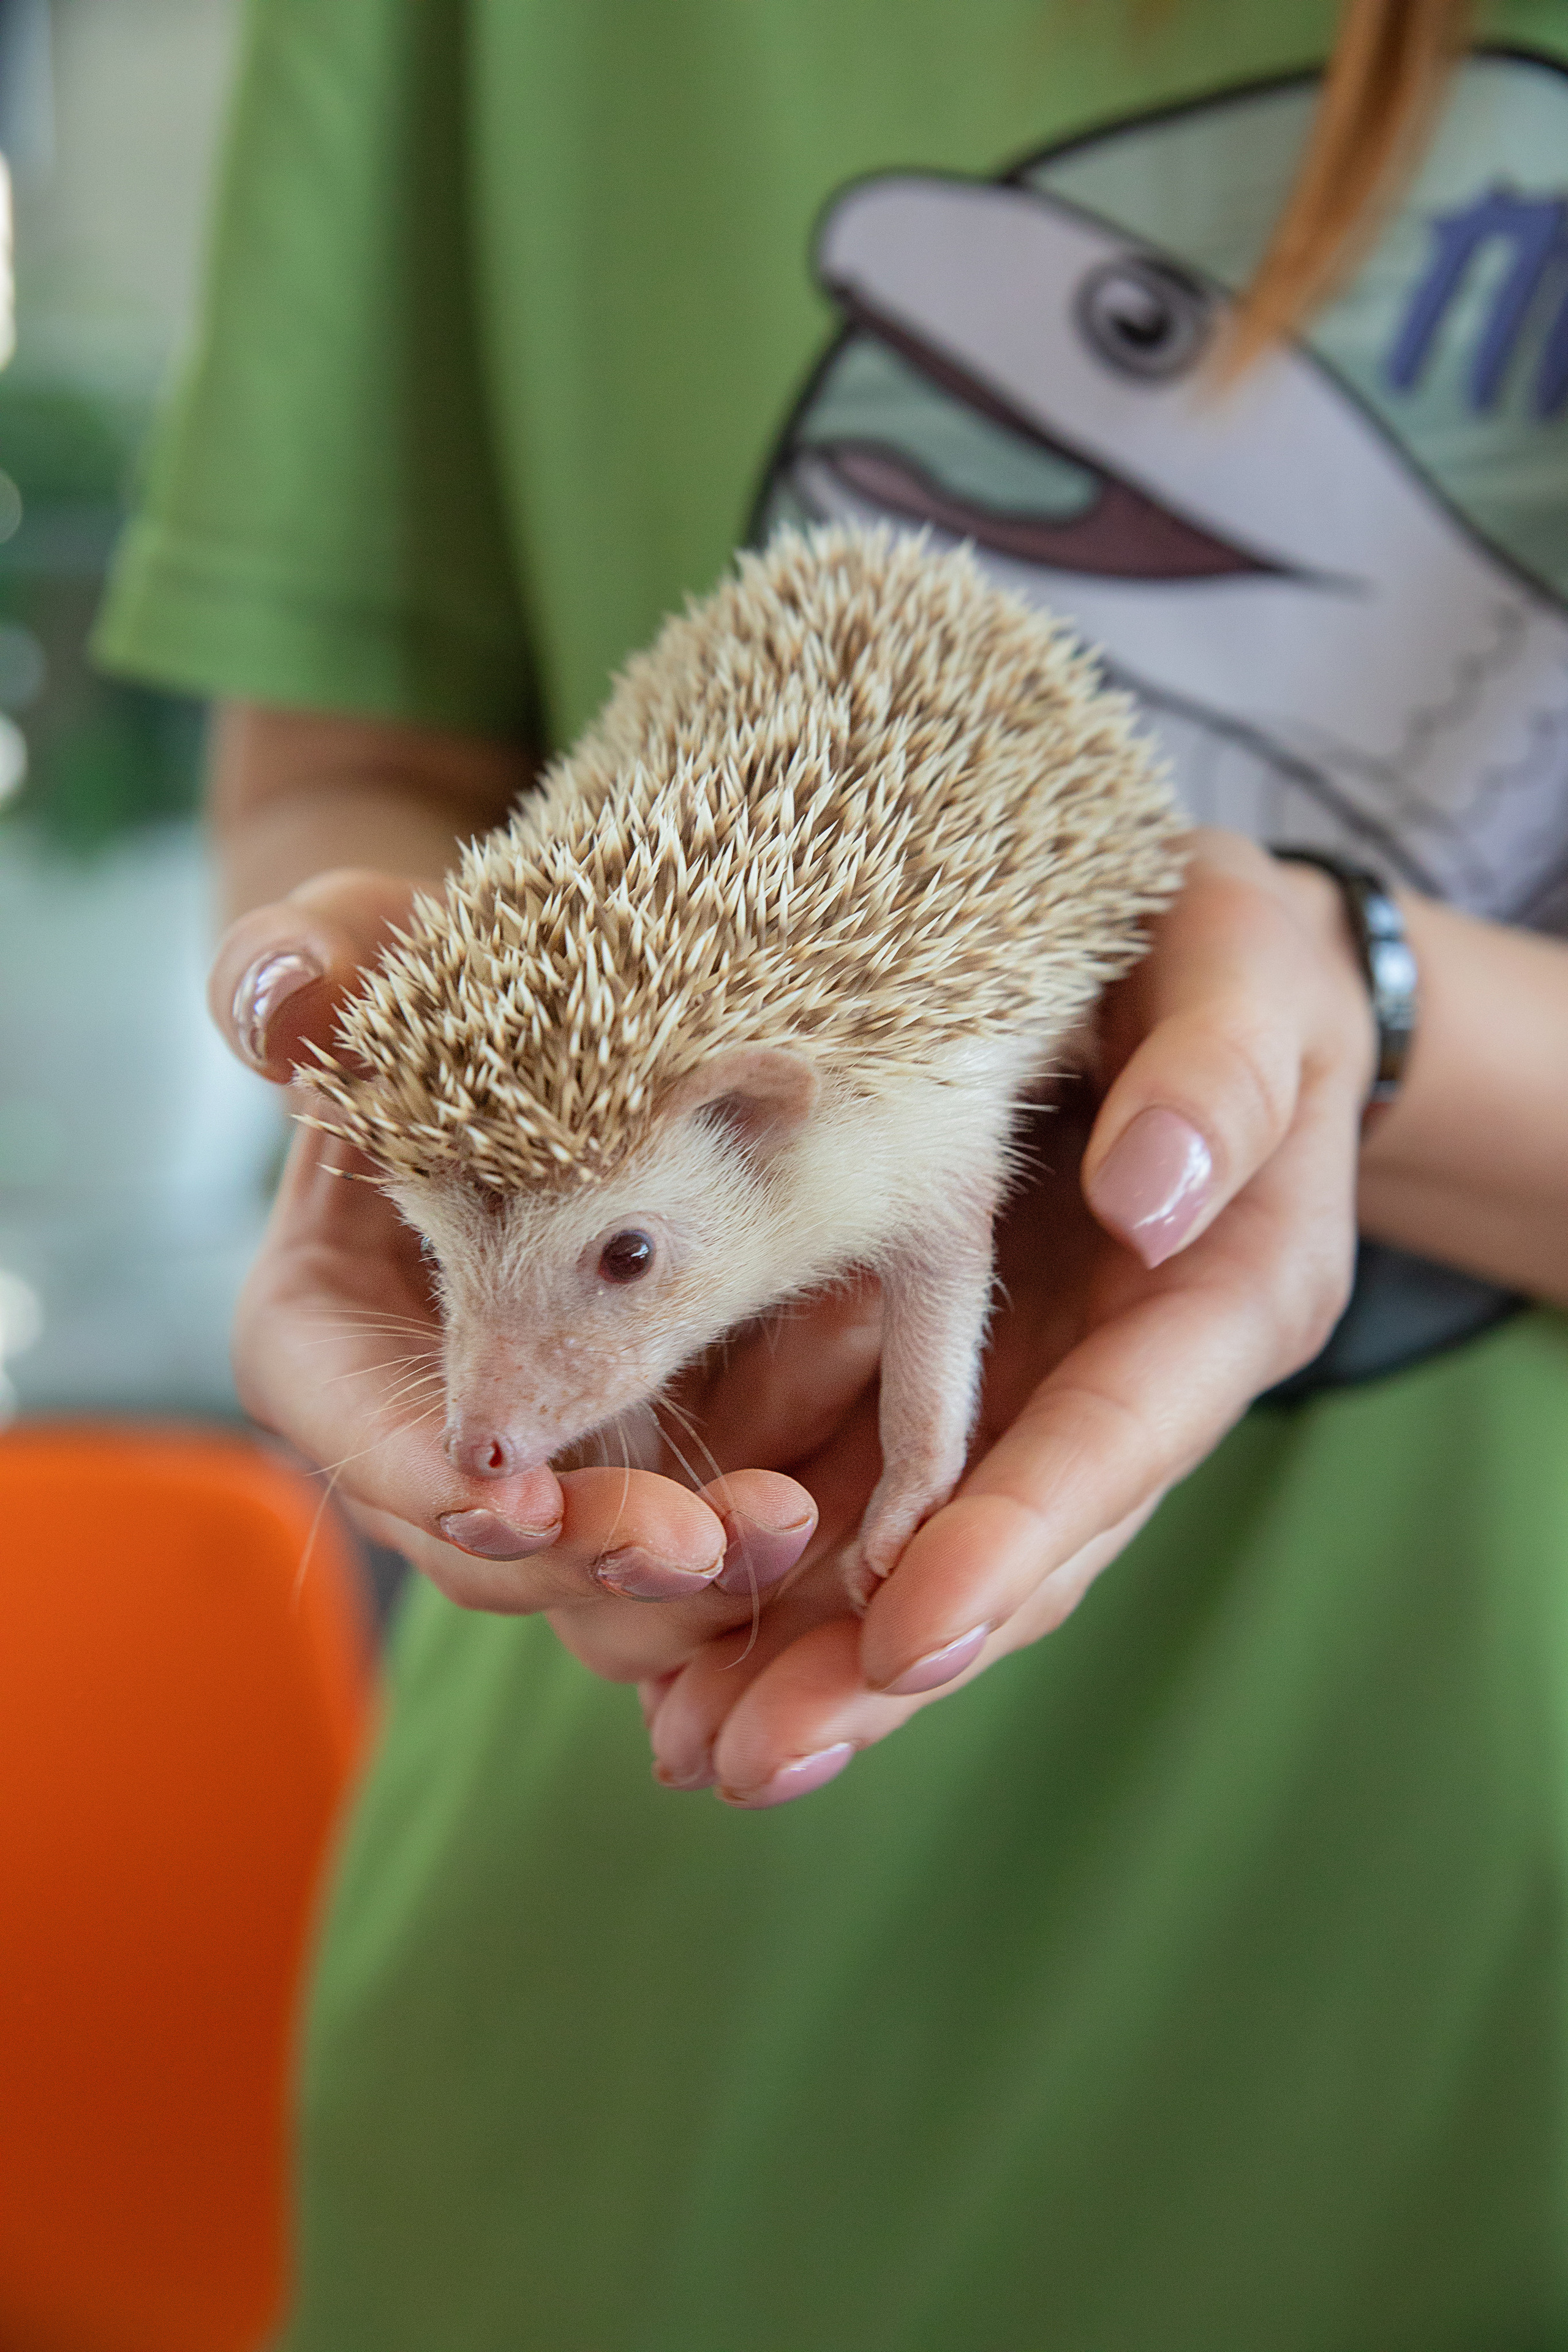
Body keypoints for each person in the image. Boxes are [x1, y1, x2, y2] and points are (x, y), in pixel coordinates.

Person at [97, 0, 1568, 2342]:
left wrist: (1354, 1009)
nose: (509, 1400)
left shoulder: (868, 1114)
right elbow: (353, 760)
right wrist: (344, 970)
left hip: (1447, 2005)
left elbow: (946, 1245)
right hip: (597, 2040)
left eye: (624, 1270)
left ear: (766, 1125)